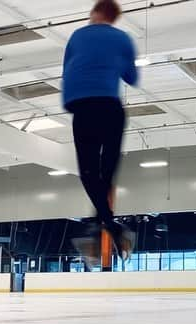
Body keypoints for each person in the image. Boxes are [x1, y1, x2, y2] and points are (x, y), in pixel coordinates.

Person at [63, 0, 139, 262]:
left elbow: (67, 69)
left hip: (83, 108)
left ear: (94, 13)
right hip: (110, 108)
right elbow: (132, 78)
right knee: (107, 171)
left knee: (88, 173)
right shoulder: (122, 38)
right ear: (114, 17)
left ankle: (106, 222)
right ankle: (106, 223)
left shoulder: (77, 36)